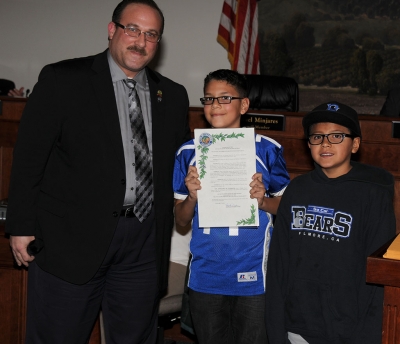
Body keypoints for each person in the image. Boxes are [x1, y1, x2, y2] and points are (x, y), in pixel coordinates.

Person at [6, 0, 190, 343]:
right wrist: (20, 226)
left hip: (143, 245)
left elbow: (181, 167)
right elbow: (29, 157)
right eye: (132, 29)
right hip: (70, 239)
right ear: (112, 30)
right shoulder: (64, 79)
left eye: (151, 34)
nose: (141, 41)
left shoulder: (174, 96)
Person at [173, 69, 290, 344]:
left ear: (244, 104)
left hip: (254, 274)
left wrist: (262, 201)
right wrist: (192, 197)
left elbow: (286, 207)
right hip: (207, 273)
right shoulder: (188, 152)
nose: (215, 106)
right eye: (209, 99)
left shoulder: (267, 149)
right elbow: (180, 221)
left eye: (225, 98)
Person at [265, 101, 396, 344]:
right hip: (297, 326)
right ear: (309, 144)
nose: (325, 143)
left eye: (337, 136)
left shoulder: (373, 195)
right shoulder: (296, 191)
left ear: (355, 144)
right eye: (317, 136)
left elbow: (379, 276)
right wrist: (275, 329)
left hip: (350, 330)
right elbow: (278, 265)